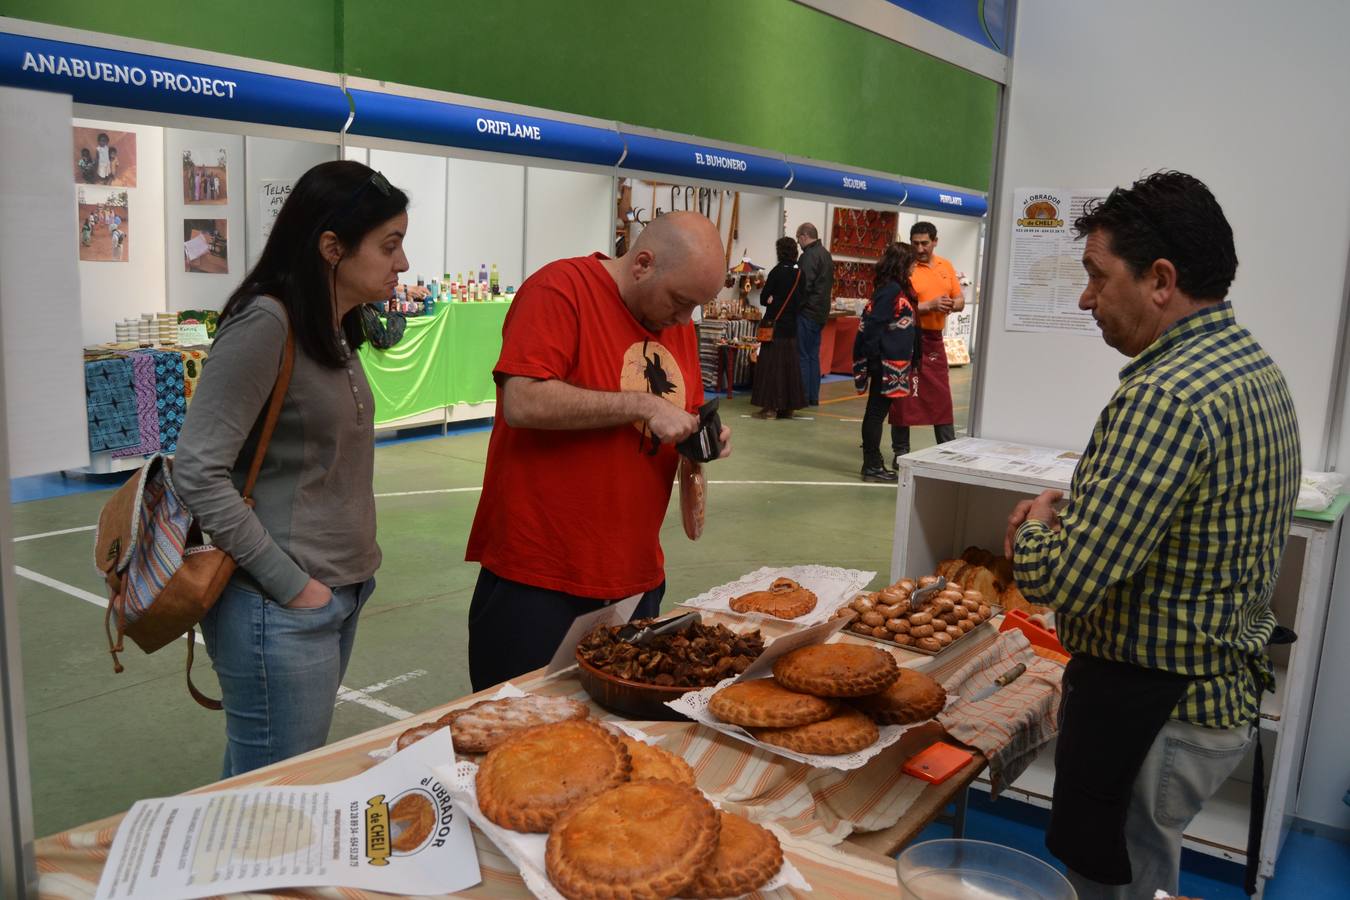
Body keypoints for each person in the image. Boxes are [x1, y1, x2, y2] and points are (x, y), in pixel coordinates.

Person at [1004, 171, 1300, 898]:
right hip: (1210, 691)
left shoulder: (1164, 395)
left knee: (1121, 879)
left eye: (1097, 277)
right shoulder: (1251, 367)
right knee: (1144, 871)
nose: (1084, 298)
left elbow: (1061, 580)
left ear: (1160, 279)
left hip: (1152, 709)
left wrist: (1031, 533)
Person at [175, 161, 410, 777]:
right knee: (275, 798)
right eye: (389, 246)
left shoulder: (332, 326)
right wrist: (292, 586)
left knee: (271, 781)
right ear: (331, 247)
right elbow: (197, 471)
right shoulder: (266, 323)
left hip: (334, 592)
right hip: (278, 607)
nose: (402, 264)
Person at [464, 211, 733, 691]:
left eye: (695, 307)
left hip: (635, 579)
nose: (682, 318)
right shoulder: (560, 289)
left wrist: (699, 438)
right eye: (679, 301)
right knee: (523, 736)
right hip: (542, 578)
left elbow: (674, 414)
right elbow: (522, 400)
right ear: (642, 264)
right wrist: (643, 404)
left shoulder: (676, 323)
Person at [890, 221, 963, 464]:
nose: (919, 248)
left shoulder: (946, 266)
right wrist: (929, 305)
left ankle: (948, 450)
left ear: (935, 241)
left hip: (934, 341)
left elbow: (959, 298)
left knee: (942, 396)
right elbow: (897, 308)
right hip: (907, 339)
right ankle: (901, 453)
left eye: (924, 243)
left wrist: (953, 304)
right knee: (902, 397)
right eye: (915, 243)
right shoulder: (905, 269)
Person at [854, 242, 920, 483]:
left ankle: (872, 463)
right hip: (884, 363)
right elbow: (873, 327)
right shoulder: (891, 290)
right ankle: (871, 464)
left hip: (890, 362)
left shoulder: (896, 288)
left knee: (876, 413)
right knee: (875, 414)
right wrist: (875, 359)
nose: (915, 266)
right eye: (912, 262)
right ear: (902, 264)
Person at [750, 237, 807, 419]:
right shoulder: (800, 273)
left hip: (774, 326)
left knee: (772, 366)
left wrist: (772, 299)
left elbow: (763, 298)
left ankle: (770, 409)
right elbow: (802, 301)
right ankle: (787, 408)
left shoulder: (776, 272)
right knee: (789, 366)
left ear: (779, 251)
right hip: (791, 327)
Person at [794, 222, 833, 406]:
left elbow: (804, 286)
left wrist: (795, 307)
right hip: (821, 313)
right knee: (812, 355)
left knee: (803, 355)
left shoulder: (808, 256)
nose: (798, 244)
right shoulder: (825, 254)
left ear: (804, 236)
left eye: (798, 239)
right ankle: (812, 396)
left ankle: (802, 395)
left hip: (807, 312)